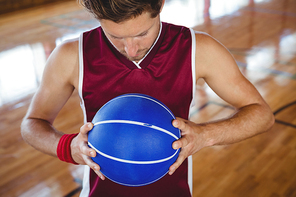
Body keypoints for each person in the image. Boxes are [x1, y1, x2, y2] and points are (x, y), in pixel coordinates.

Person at [21, 0, 274, 196]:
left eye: (142, 33)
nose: (131, 49)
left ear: (160, 5)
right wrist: (69, 147)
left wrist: (205, 135)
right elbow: (32, 123)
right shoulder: (71, 55)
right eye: (116, 37)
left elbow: (261, 114)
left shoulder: (199, 49)